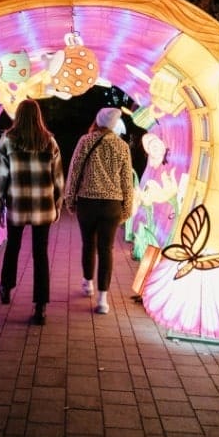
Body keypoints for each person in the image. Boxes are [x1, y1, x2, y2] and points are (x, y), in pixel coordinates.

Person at [0, 99, 64, 325]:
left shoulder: (8, 141)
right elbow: (58, 178)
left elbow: (1, 175)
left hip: (17, 204)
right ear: (38, 116)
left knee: (13, 246)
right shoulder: (49, 141)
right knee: (40, 253)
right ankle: (40, 306)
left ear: (18, 116)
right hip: (43, 207)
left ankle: (6, 286)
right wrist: (58, 204)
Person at [64, 107, 134, 314]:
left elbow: (74, 171)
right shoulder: (122, 146)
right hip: (112, 204)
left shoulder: (85, 141)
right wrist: (127, 208)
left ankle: (88, 283)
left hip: (87, 202)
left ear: (98, 120)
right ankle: (103, 299)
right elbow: (126, 181)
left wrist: (70, 199)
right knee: (106, 249)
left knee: (88, 244)